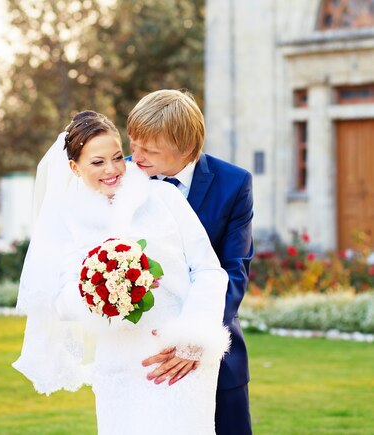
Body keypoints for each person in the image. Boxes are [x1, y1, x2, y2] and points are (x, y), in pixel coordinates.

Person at [13, 110, 231, 434]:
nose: (112, 169)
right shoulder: (68, 221)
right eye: (97, 162)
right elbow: (60, 299)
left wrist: (193, 337)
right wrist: (102, 293)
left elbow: (209, 269)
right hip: (119, 362)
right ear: (74, 167)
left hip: (179, 358)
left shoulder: (164, 197)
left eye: (117, 157)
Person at [127, 89, 254, 435]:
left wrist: (195, 337)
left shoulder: (234, 183)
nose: (134, 157)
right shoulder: (120, 180)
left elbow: (234, 271)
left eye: (149, 150)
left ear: (185, 149)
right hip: (143, 358)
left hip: (216, 354)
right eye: (133, 143)